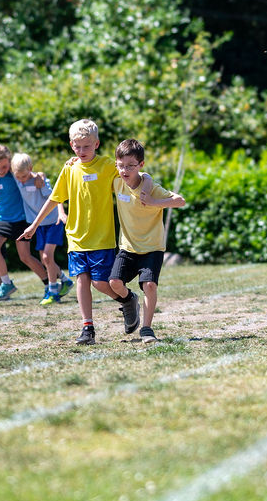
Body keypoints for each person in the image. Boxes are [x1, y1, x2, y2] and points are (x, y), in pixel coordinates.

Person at [20, 118, 143, 344]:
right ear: (71, 145)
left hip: (101, 238)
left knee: (100, 283)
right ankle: (88, 329)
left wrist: (148, 193)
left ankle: (128, 299)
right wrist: (34, 225)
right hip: (75, 236)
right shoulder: (69, 169)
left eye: (87, 146)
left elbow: (132, 175)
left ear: (97, 144)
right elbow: (54, 198)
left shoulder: (108, 165)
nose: (82, 151)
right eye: (77, 147)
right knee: (81, 280)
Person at [109, 138, 186, 344]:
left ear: (141, 165)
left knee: (150, 285)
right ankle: (130, 300)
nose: (125, 170)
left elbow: (180, 201)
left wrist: (154, 201)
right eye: (121, 165)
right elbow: (94, 167)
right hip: (128, 247)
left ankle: (146, 328)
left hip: (152, 247)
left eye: (130, 166)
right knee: (114, 283)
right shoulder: (116, 182)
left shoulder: (150, 188)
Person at [0, 143, 47, 301]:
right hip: (2, 219)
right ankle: (6, 283)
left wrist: (40, 175)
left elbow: (32, 174)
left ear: (10, 162)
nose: (1, 170)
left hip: (20, 219)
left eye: (4, 166)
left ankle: (49, 284)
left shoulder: (15, 173)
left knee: (25, 257)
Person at [12, 152, 69, 306]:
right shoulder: (18, 179)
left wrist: (61, 213)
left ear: (30, 169)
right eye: (18, 176)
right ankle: (65, 280)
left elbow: (56, 197)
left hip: (53, 222)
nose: (21, 180)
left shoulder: (41, 181)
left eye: (24, 176)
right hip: (38, 226)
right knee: (46, 260)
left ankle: (53, 292)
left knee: (46, 257)